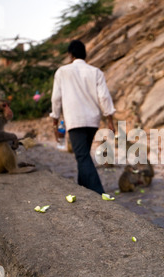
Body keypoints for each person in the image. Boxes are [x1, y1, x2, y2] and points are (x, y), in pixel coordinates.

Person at [50, 39, 116, 195]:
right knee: (83, 154)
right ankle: (83, 191)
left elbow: (56, 99)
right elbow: (104, 97)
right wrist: (110, 120)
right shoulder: (96, 72)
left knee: (82, 156)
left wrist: (55, 124)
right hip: (93, 121)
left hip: (75, 121)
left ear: (70, 54)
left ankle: (99, 193)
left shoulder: (62, 72)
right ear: (84, 54)